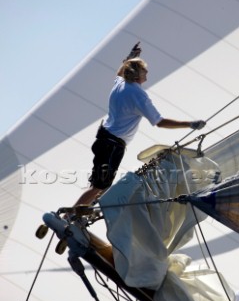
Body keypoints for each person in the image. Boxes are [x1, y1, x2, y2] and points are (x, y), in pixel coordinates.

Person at [70, 42, 206, 211]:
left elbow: (119, 72)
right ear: (136, 75)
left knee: (100, 185)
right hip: (112, 145)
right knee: (98, 186)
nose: (147, 72)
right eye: (144, 70)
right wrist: (190, 124)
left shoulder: (120, 84)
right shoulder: (138, 95)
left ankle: (79, 213)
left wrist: (131, 57)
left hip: (103, 139)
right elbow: (159, 122)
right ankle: (70, 215)